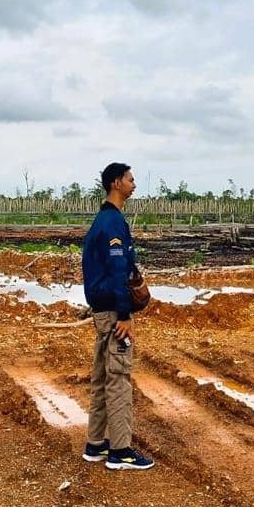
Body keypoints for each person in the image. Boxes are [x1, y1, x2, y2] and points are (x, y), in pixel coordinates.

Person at [80, 162, 154, 470]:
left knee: (101, 378)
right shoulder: (112, 224)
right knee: (119, 379)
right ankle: (120, 451)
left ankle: (95, 444)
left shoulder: (104, 221)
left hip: (102, 310)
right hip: (114, 313)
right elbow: (116, 271)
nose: (134, 184)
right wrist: (124, 314)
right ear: (116, 183)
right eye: (130, 179)